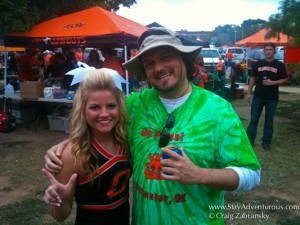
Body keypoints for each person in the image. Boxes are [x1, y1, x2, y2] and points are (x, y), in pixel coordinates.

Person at [44, 27, 261, 225]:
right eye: (149, 63)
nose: (159, 67)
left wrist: (198, 175)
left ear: (184, 60)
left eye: (166, 57)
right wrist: (67, 146)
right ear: (144, 70)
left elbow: (252, 175)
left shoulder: (217, 110)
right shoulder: (134, 105)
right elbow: (100, 122)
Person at [42, 68, 131, 225]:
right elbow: (60, 216)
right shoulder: (72, 155)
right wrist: (58, 200)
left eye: (111, 106)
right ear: (82, 110)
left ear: (120, 107)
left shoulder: (126, 140)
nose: (104, 114)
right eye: (95, 107)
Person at [246, 42, 288, 151]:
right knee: (254, 119)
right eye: (266, 49)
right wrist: (249, 92)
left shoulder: (280, 65)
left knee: (269, 121)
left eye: (270, 49)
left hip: (272, 98)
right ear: (264, 51)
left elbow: (285, 79)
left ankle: (266, 142)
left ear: (274, 51)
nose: (268, 51)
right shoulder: (257, 64)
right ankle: (249, 141)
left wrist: (272, 82)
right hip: (258, 96)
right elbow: (252, 79)